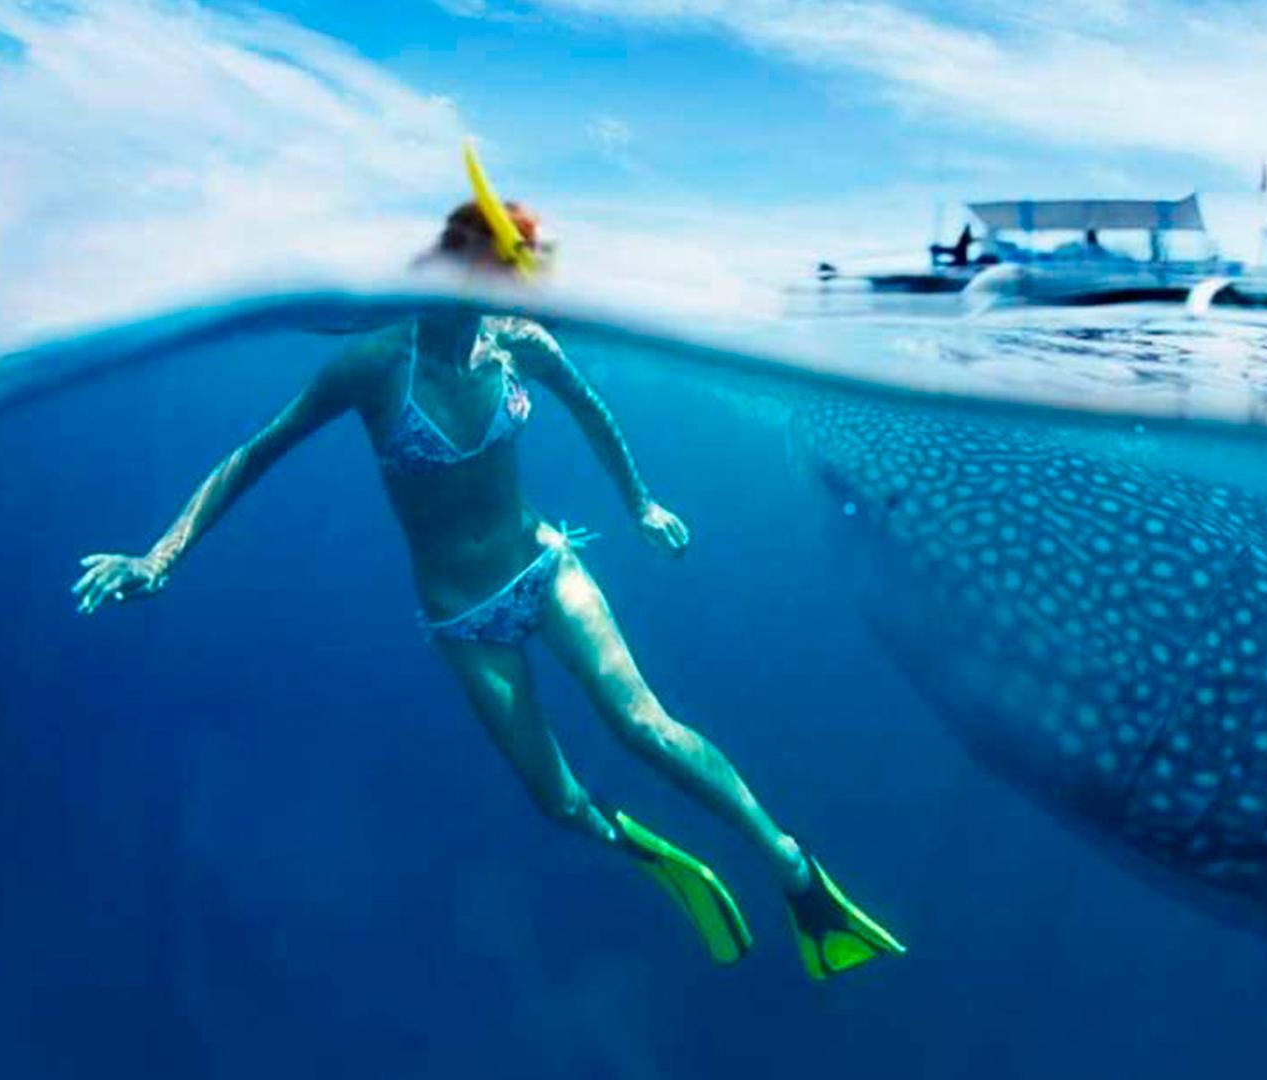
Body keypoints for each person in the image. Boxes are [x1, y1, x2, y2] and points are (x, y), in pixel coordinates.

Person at [70, 145, 904, 981]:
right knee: (560, 803)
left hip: (545, 566)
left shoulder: (521, 344)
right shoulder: (372, 365)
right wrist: (163, 555)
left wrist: (640, 502)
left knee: (644, 724)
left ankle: (796, 873)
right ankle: (651, 853)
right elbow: (256, 452)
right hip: (463, 618)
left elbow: (593, 410)